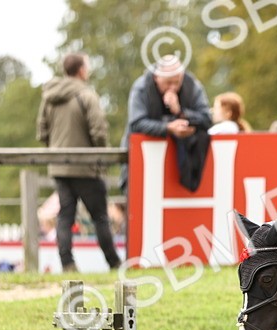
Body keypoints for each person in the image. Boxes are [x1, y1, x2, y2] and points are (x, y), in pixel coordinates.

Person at [36, 52, 122, 272]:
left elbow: (41, 131)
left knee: (65, 216)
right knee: (100, 217)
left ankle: (68, 264)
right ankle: (114, 263)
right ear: (82, 70)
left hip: (59, 166)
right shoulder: (87, 95)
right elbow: (99, 131)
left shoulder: (49, 97)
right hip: (86, 167)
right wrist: (100, 156)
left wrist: (55, 150)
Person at [126, 55, 211, 191]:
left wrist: (181, 113)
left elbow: (207, 119)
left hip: (183, 167)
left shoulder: (193, 86)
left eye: (177, 82)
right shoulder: (141, 87)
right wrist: (168, 128)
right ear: (156, 77)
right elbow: (136, 123)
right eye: (168, 83)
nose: (172, 87)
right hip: (144, 163)